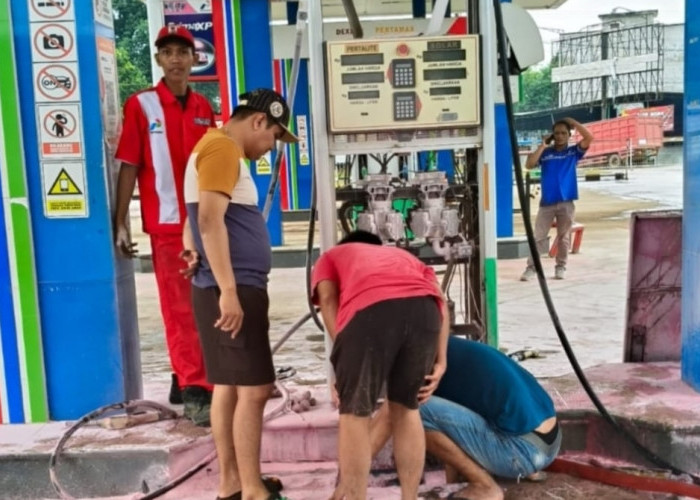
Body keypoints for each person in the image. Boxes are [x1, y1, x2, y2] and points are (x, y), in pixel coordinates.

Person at [182, 88, 297, 500]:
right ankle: (252, 490)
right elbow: (210, 220)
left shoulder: (210, 147)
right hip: (232, 288)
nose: (269, 149)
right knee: (254, 389)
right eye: (272, 138)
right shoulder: (223, 149)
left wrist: (190, 244)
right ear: (259, 121)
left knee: (230, 387)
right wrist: (229, 290)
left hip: (222, 284)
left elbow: (195, 216)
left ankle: (233, 483)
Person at [113, 23, 216, 426]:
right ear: (158, 59)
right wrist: (121, 221)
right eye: (168, 52)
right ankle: (195, 393)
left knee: (206, 307)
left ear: (194, 59)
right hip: (168, 227)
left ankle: (184, 376)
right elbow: (128, 165)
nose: (176, 59)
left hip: (205, 224)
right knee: (180, 312)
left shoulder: (204, 108)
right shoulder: (141, 106)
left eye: (183, 52)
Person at [311, 230, 449, 500]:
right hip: (425, 312)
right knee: (407, 409)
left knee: (355, 413)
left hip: (371, 310)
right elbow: (441, 301)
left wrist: (346, 358)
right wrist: (441, 360)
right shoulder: (405, 257)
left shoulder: (331, 256)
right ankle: (410, 497)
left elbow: (328, 300)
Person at [370, 336, 561, 500]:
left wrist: (351, 474)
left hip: (522, 453)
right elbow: (453, 427)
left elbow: (390, 412)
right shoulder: (450, 348)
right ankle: (523, 471)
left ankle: (484, 485)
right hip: (551, 442)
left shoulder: (418, 362)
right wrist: (451, 484)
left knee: (409, 409)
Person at [520, 117, 593, 281]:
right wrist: (543, 145)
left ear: (569, 135)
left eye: (563, 133)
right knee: (539, 237)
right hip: (547, 203)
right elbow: (529, 164)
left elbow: (589, 138)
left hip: (566, 202)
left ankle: (561, 266)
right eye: (557, 133)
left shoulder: (574, 152)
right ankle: (532, 268)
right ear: (552, 135)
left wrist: (575, 123)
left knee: (564, 237)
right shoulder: (546, 153)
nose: (559, 136)